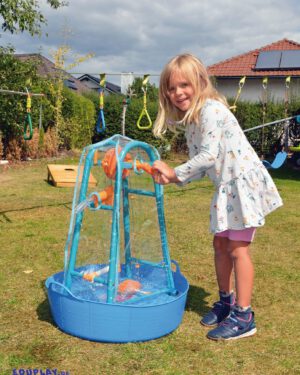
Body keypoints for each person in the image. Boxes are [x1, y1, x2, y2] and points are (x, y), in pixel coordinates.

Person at [152, 53, 283, 341]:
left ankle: (244, 315)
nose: (178, 93)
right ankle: (226, 301)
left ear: (199, 82)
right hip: (226, 186)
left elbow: (208, 155)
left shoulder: (210, 109)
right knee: (220, 244)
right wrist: (172, 179)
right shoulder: (192, 121)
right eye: (171, 88)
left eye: (184, 85)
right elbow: (201, 166)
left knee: (238, 249)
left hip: (243, 185)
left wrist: (174, 172)